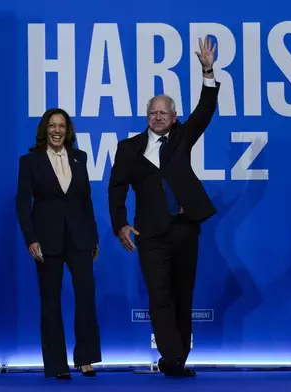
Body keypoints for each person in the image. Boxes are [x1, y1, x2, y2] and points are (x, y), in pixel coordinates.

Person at [108, 36, 219, 377]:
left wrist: (207, 71)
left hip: (186, 227)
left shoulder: (183, 137)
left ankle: (177, 359)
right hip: (150, 233)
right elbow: (116, 189)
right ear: (147, 117)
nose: (158, 117)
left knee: (182, 296)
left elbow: (205, 110)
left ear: (174, 117)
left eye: (164, 112)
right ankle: (171, 358)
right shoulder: (128, 148)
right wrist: (120, 224)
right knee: (159, 296)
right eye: (153, 113)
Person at [16, 108, 101, 380]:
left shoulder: (80, 158)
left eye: (62, 126)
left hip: (80, 238)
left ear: (68, 130)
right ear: (45, 129)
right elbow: (22, 204)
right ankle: (57, 365)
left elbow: (86, 200)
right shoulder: (30, 161)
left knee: (85, 295)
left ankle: (86, 358)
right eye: (52, 126)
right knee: (50, 301)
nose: (57, 131)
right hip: (46, 240)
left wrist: (94, 237)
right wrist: (31, 239)